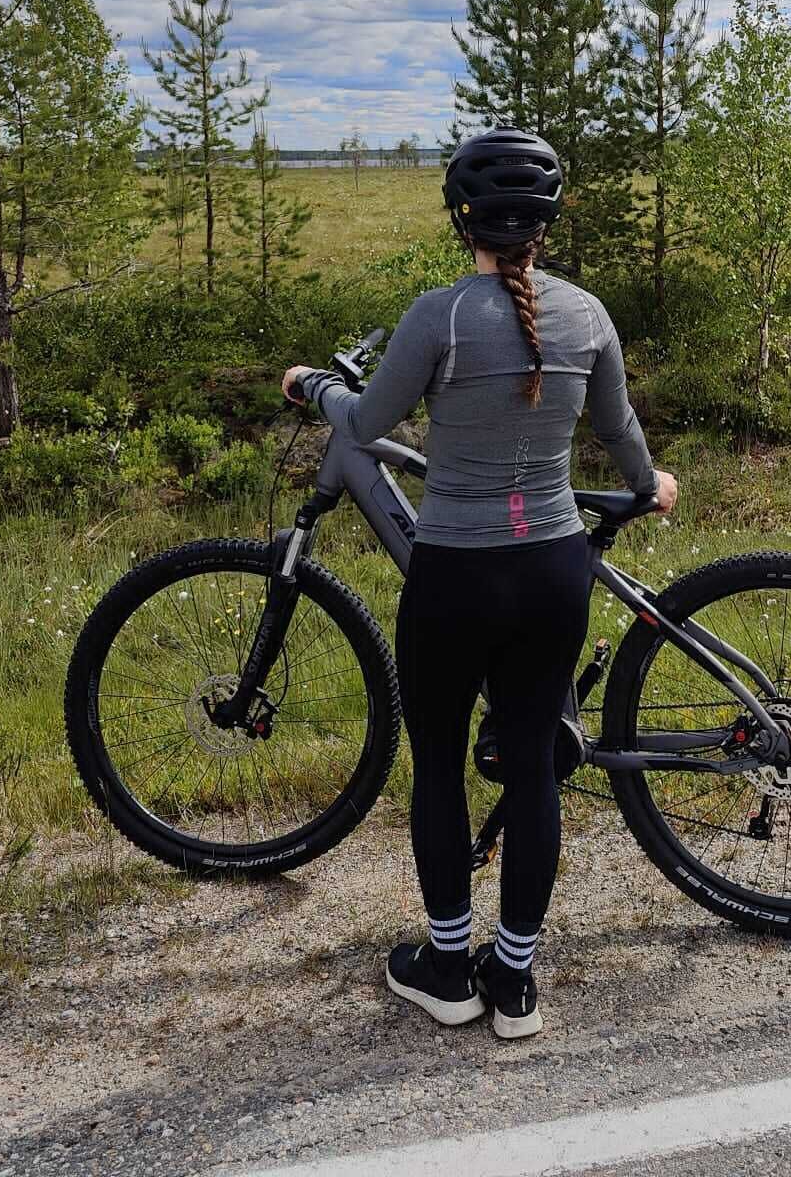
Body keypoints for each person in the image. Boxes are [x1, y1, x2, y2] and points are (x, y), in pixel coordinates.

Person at [282, 127, 677, 1040]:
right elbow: (619, 430)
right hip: (551, 572)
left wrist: (312, 387)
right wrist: (646, 482)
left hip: (455, 577)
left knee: (439, 772)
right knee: (535, 765)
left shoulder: (440, 315)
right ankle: (517, 981)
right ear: (548, 221)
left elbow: (370, 416)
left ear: (464, 219)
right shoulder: (588, 315)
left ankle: (448, 969)